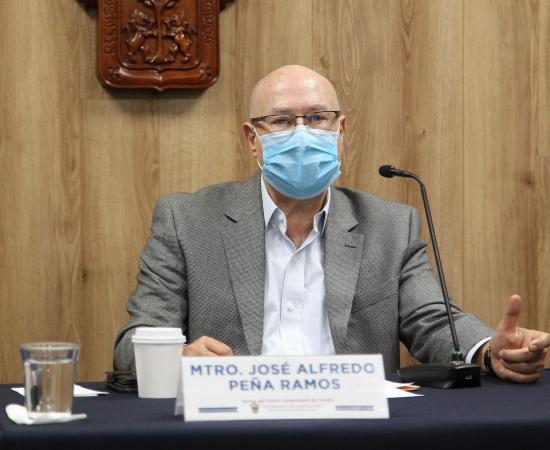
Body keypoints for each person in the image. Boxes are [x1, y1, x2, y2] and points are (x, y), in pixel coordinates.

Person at [114, 65, 549, 383]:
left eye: (318, 118)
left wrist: (489, 350)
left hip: (353, 429)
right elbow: (134, 344)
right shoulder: (188, 222)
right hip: (234, 425)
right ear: (252, 140)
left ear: (341, 131)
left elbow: (434, 322)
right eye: (282, 121)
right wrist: (177, 359)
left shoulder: (389, 226)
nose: (303, 133)